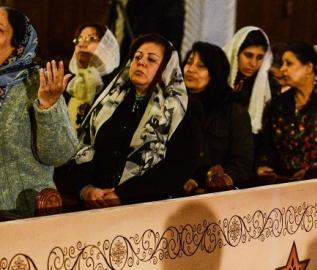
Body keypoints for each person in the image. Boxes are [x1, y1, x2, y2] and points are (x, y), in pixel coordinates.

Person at [68, 34, 201, 208]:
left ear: (167, 68)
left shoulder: (182, 109)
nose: (141, 62)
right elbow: (84, 146)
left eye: (152, 60)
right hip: (95, 202)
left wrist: (123, 194)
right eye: (137, 57)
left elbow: (179, 166)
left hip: (146, 206)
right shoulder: (109, 100)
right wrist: (86, 189)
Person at [0, 7, 77, 217]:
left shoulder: (38, 84)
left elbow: (59, 154)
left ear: (18, 45)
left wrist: (48, 106)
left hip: (22, 213)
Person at [256, 42, 317, 182]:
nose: (283, 69)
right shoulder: (278, 104)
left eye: (289, 64)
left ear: (308, 68)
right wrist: (263, 166)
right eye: (283, 63)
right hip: (283, 185)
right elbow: (267, 145)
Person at [181, 42, 253, 194]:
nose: (190, 70)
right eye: (188, 63)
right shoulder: (174, 104)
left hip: (213, 195)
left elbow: (241, 164)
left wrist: (202, 180)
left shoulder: (233, 111)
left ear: (215, 72)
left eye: (201, 66)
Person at [66, 23, 120, 132]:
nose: (81, 44)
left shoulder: (118, 85)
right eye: (78, 39)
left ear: (107, 47)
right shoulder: (68, 83)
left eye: (91, 38)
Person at [223, 26, 272, 134]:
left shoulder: (264, 87)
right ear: (236, 53)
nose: (253, 64)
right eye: (248, 55)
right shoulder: (218, 78)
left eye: (260, 58)